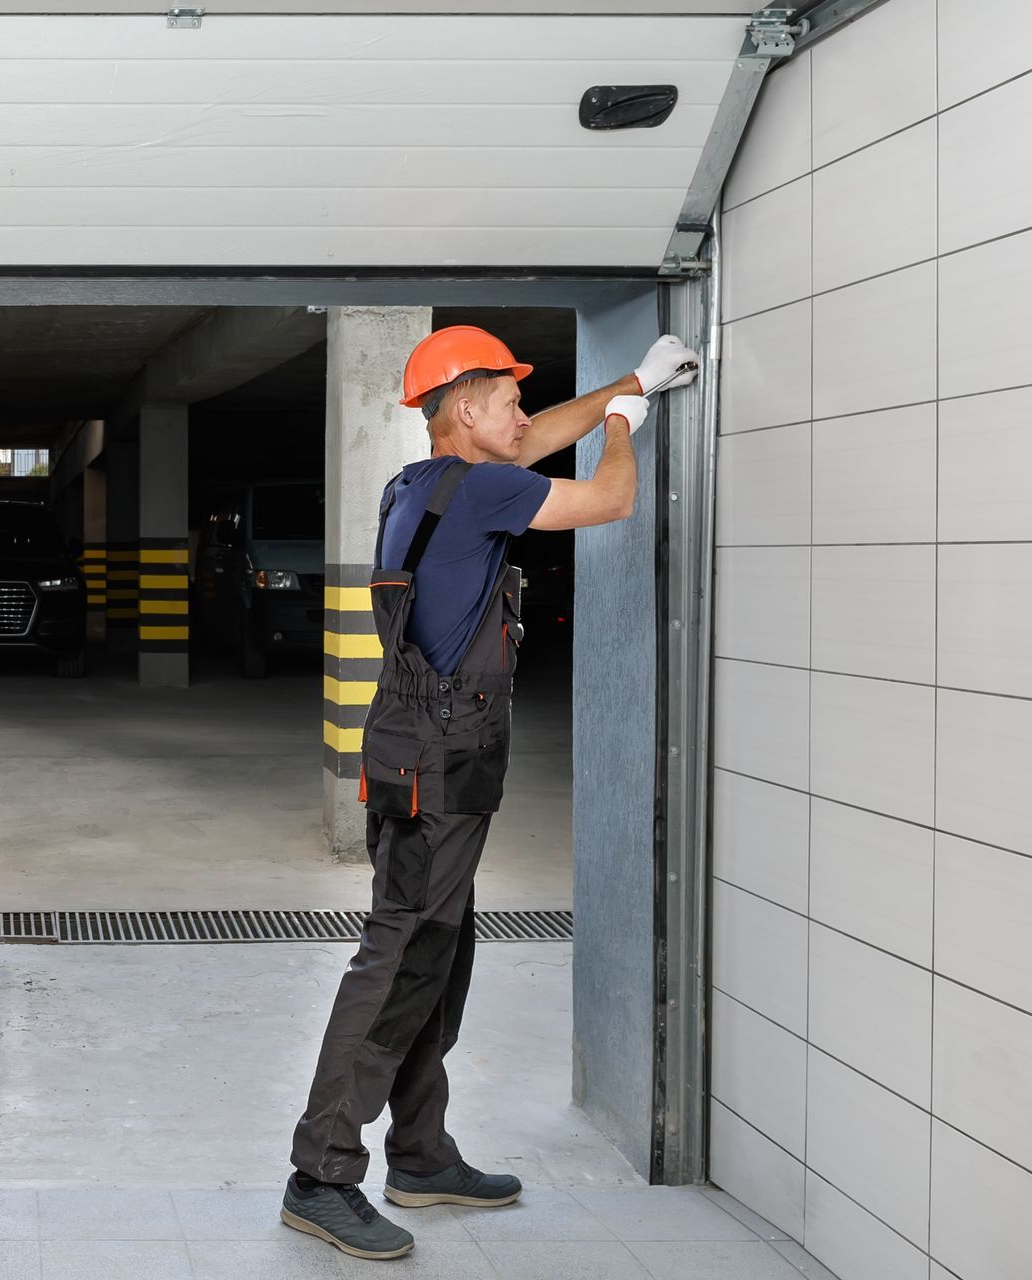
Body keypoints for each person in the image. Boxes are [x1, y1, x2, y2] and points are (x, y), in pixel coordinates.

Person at [282, 325, 699, 1261]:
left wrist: (631, 380)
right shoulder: (485, 490)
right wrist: (627, 422)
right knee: (399, 963)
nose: (522, 410)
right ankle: (320, 1174)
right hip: (440, 763)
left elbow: (535, 440)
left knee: (440, 953)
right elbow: (610, 498)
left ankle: (421, 1156)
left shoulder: (423, 485)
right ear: (464, 409)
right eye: (507, 397)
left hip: (417, 759)